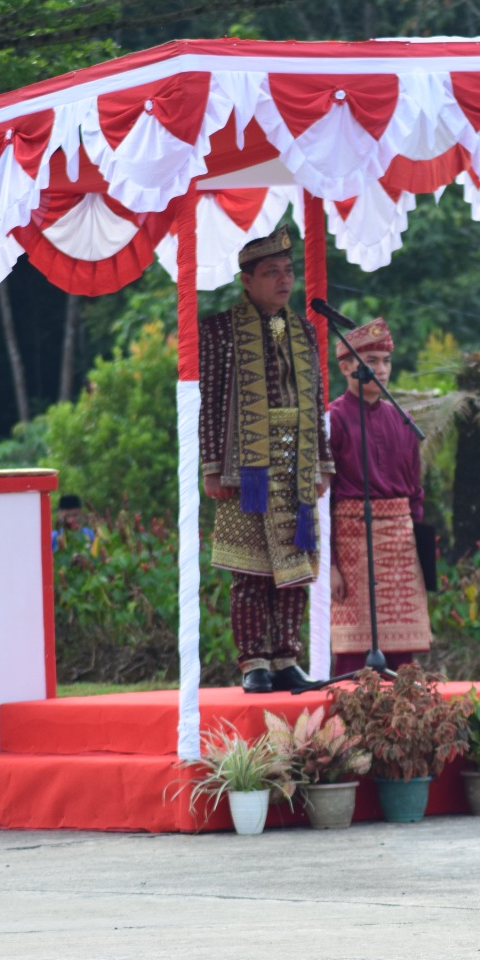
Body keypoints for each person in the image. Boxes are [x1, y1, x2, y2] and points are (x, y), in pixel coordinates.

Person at [199, 226, 333, 694]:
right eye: (272, 272)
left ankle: (286, 659)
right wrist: (212, 466)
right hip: (246, 468)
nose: (284, 280)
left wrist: (323, 464)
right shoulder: (220, 330)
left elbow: (315, 400)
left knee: (295, 569)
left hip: (297, 462)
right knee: (251, 571)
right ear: (247, 281)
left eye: (289, 271)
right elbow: (210, 401)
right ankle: (254, 662)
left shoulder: (304, 329)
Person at [326, 318, 432, 674]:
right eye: (371, 361)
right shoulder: (332, 419)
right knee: (353, 657)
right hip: (352, 540)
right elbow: (322, 499)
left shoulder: (404, 420)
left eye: (386, 361)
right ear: (346, 367)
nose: (381, 369)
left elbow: (416, 495)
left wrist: (422, 556)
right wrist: (331, 565)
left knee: (403, 657)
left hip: (401, 544)